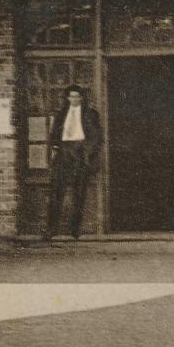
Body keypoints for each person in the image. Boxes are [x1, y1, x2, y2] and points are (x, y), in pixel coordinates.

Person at [44, 84, 101, 240]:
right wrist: (56, 147)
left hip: (81, 153)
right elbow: (55, 133)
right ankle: (51, 229)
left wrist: (86, 152)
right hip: (64, 152)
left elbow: (96, 137)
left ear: (81, 98)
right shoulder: (61, 114)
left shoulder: (90, 114)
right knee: (57, 191)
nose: (74, 99)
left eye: (77, 96)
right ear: (67, 98)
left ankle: (75, 229)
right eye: (71, 97)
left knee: (79, 192)